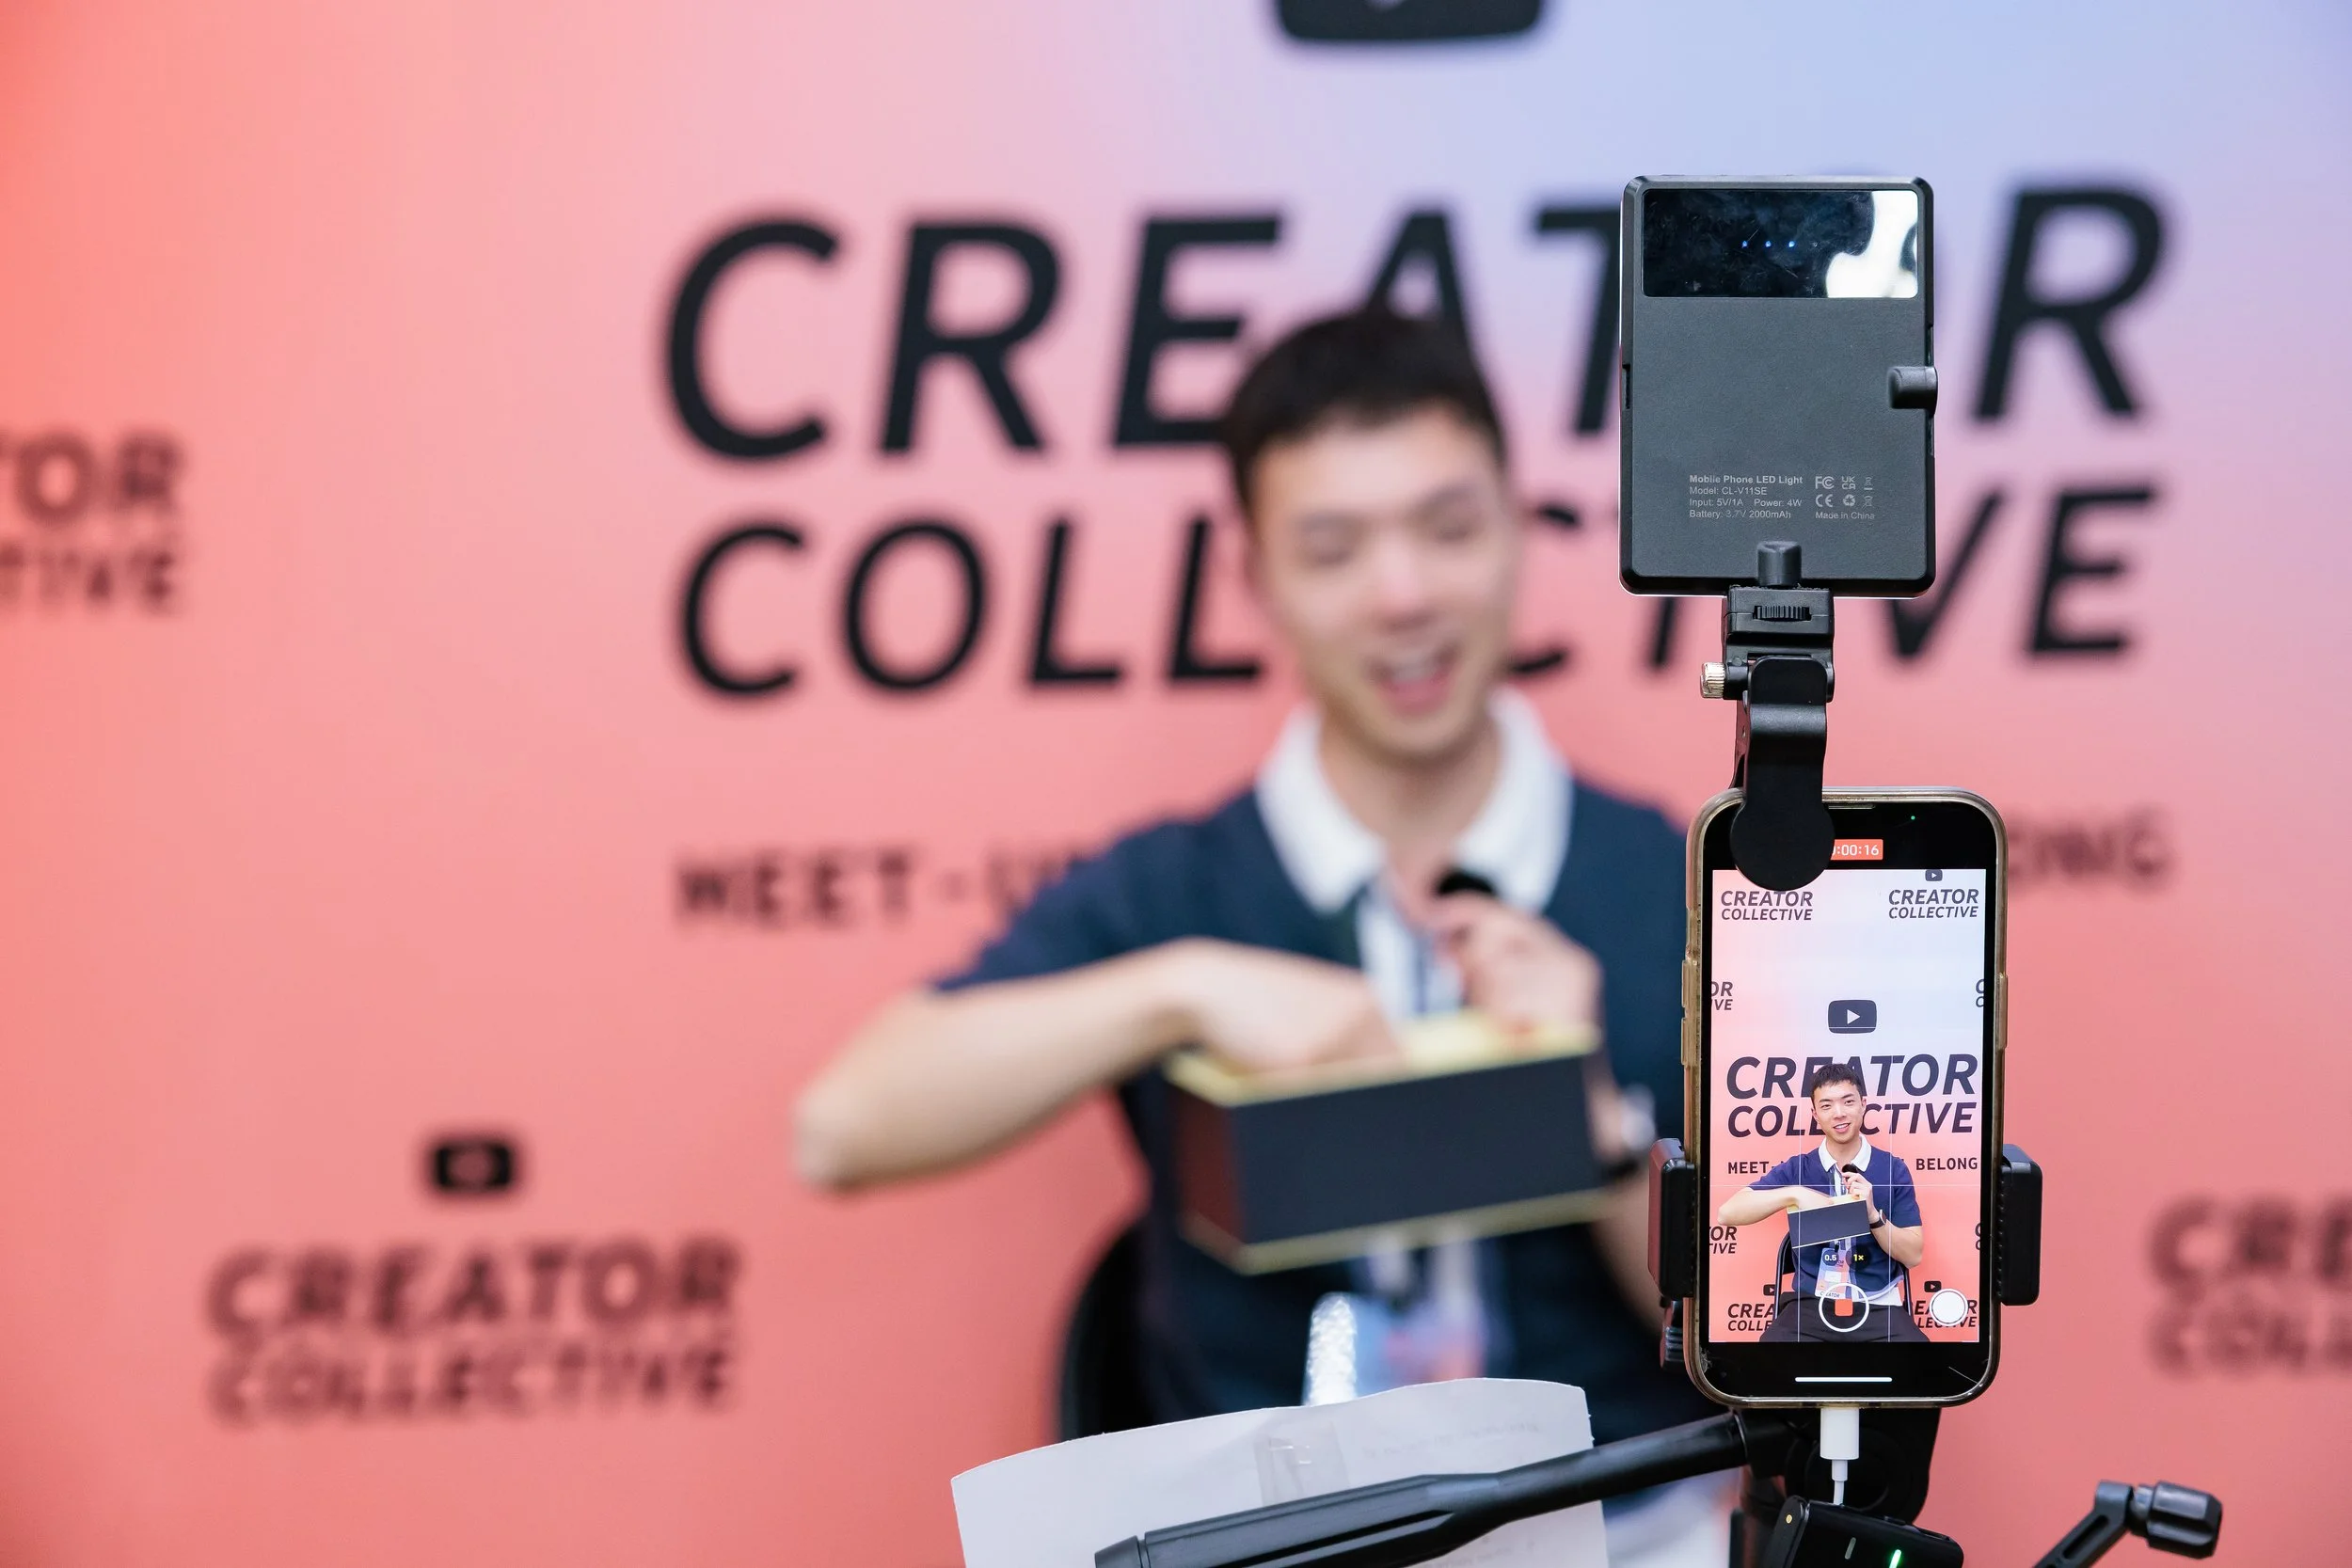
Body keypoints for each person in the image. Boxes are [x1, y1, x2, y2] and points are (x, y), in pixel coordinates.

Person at [794, 307, 1719, 1558]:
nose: (1403, 596)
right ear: (1255, 576)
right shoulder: (1179, 891)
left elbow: (1783, 1370)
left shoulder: (1679, 886)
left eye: (1447, 529)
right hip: (1268, 1535)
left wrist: (1590, 1123)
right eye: (1334, 548)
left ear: (1517, 526)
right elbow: (842, 1124)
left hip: (1625, 1529)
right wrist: (1172, 992)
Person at [1716, 1062, 1928, 1342]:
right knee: (1769, 1362)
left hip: (1878, 1303)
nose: (1839, 1113)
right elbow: (1727, 1213)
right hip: (1810, 1304)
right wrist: (1793, 1194)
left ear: (1863, 1105)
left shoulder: (1893, 1170)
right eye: (1826, 1106)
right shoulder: (1798, 1170)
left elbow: (1913, 1255)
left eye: (1848, 1102)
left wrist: (1872, 1215)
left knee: (1919, 1369)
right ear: (1815, 1115)